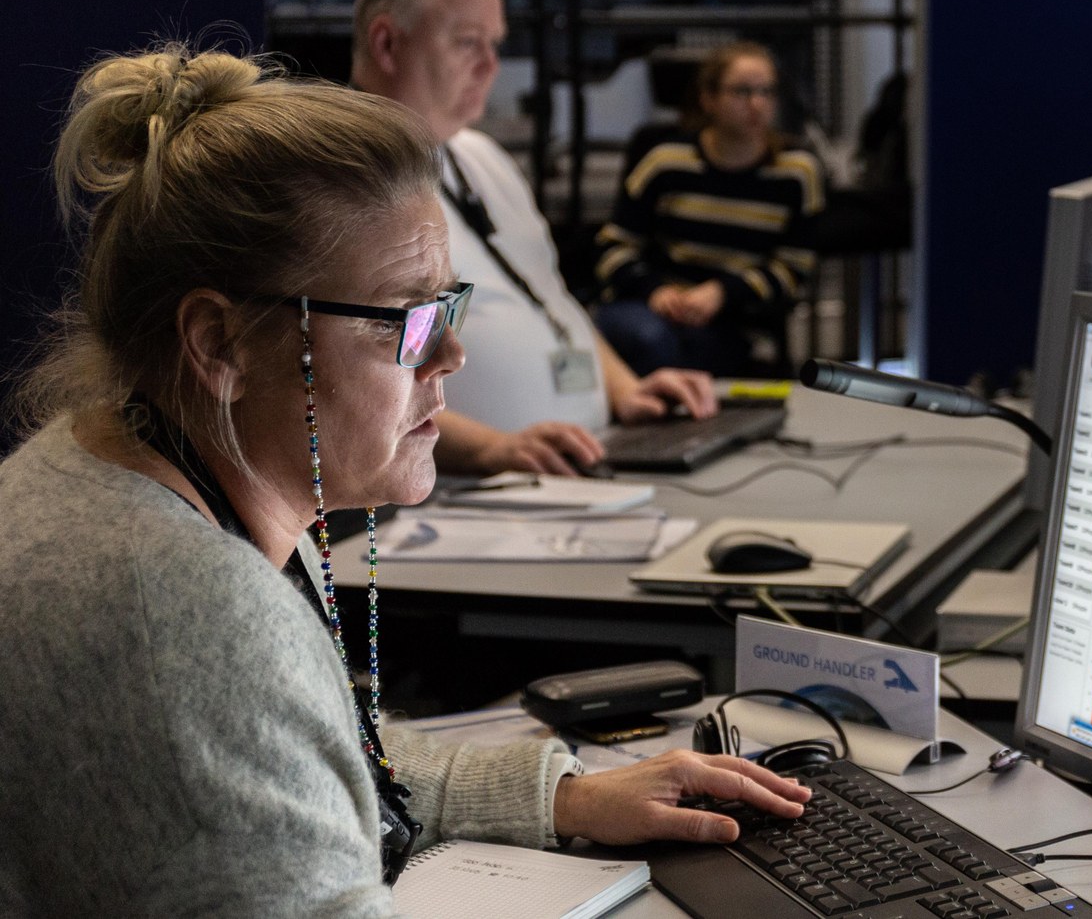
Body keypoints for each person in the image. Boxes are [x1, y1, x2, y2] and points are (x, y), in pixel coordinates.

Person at [0, 46, 809, 912]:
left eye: (448, 307)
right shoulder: (198, 614)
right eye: (407, 318)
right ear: (219, 344)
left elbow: (327, 751)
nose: (451, 353)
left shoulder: (120, 464)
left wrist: (562, 796)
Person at [349, 0, 717, 478]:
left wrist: (625, 389)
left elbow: (551, 297)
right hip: (466, 489)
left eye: (495, 44)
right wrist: (490, 450)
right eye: (467, 42)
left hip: (587, 457)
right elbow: (359, 378)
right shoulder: (348, 178)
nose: (491, 65)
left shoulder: (482, 155)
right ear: (387, 44)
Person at [596, 42, 824, 376]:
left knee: (704, 349)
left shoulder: (796, 173)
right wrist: (655, 290)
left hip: (731, 314)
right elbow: (612, 247)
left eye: (766, 92)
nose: (756, 104)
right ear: (709, 98)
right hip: (651, 305)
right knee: (652, 339)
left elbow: (795, 266)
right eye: (742, 92)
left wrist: (722, 293)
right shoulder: (667, 162)